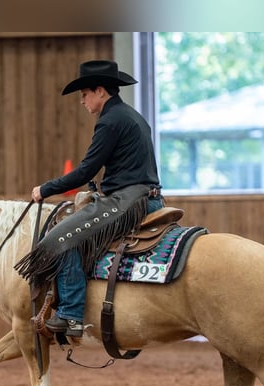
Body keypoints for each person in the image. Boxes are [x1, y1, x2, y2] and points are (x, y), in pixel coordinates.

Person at [14, 59, 164, 338]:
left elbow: (85, 171)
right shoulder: (131, 116)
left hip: (129, 200)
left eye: (84, 94)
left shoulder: (109, 121)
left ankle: (71, 315)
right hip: (145, 195)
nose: (82, 101)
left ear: (100, 91)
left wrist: (44, 189)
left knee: (60, 238)